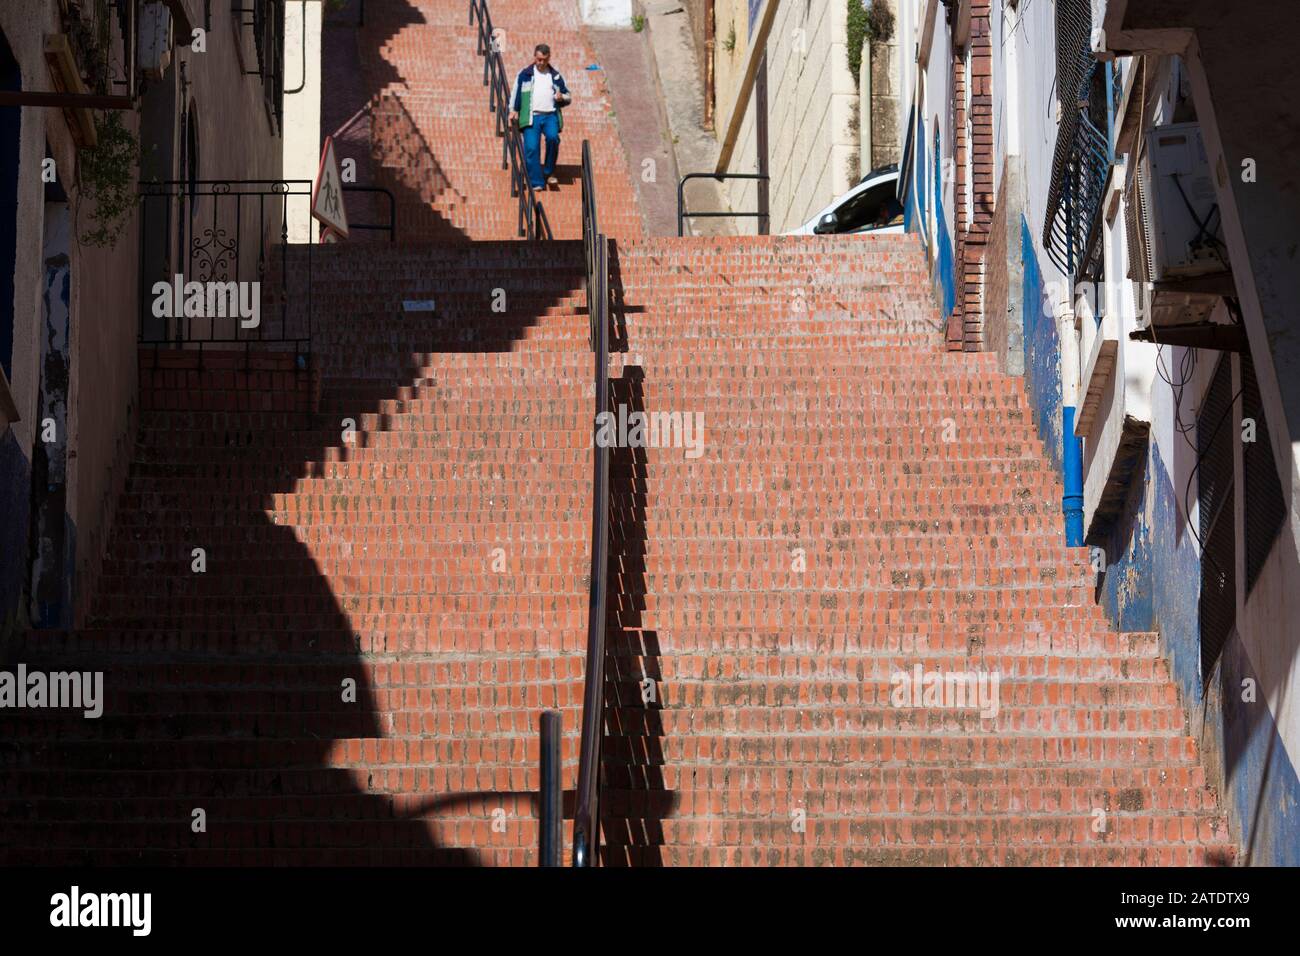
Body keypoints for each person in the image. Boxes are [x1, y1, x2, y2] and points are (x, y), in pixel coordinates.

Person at [509, 44, 571, 190]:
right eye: (538, 59)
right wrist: (512, 110)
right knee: (531, 147)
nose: (540, 63)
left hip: (550, 116)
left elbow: (568, 96)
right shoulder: (525, 74)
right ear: (534, 57)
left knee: (553, 138)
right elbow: (515, 93)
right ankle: (536, 182)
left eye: (543, 60)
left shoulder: (555, 75)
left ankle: (549, 172)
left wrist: (562, 97)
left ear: (548, 58)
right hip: (532, 116)